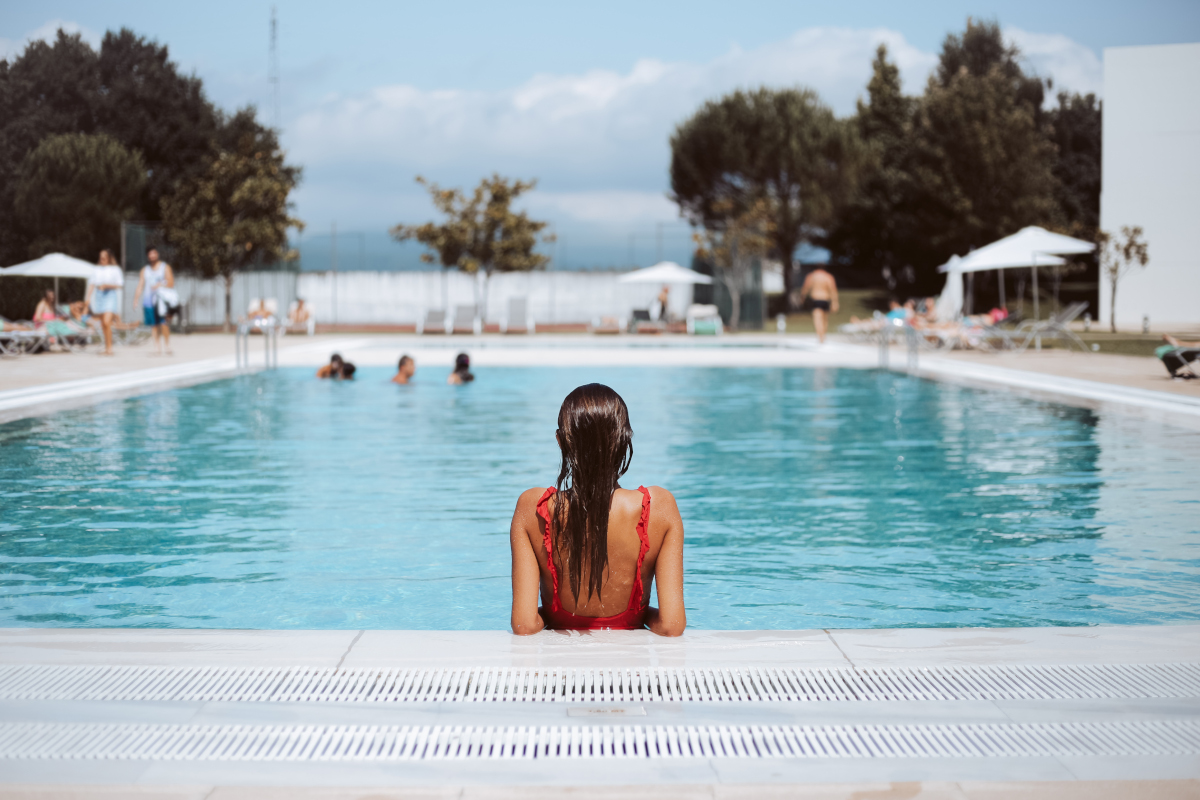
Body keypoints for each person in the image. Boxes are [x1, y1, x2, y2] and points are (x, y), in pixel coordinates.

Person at [509, 384, 686, 635]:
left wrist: (549, 613)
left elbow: (524, 625)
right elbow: (672, 626)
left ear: (561, 442)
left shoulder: (533, 507)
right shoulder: (660, 507)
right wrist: (639, 611)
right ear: (625, 439)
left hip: (560, 670)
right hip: (631, 674)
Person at [132, 247, 174, 356]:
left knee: (164, 323)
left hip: (161, 301)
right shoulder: (145, 270)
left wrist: (160, 284)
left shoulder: (164, 267)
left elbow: (171, 282)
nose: (152, 256)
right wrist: (136, 299)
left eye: (154, 253)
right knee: (153, 325)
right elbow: (140, 285)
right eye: (150, 254)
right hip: (148, 301)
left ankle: (167, 345)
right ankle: (157, 347)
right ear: (148, 256)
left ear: (157, 254)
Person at [86, 248, 123, 356]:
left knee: (107, 322)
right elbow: (92, 284)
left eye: (104, 256)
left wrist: (107, 285)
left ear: (109, 258)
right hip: (99, 296)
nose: (102, 259)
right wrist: (88, 298)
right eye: (101, 256)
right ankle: (107, 347)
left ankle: (110, 348)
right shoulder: (96, 269)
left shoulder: (115, 269)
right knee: (103, 324)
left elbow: (120, 284)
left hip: (110, 295)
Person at [797, 266, 839, 343]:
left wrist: (802, 297)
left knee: (818, 319)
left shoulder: (812, 276)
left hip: (816, 299)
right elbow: (833, 290)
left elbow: (805, 288)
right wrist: (835, 302)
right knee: (825, 319)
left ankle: (820, 337)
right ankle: (823, 335)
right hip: (826, 299)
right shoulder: (828, 276)